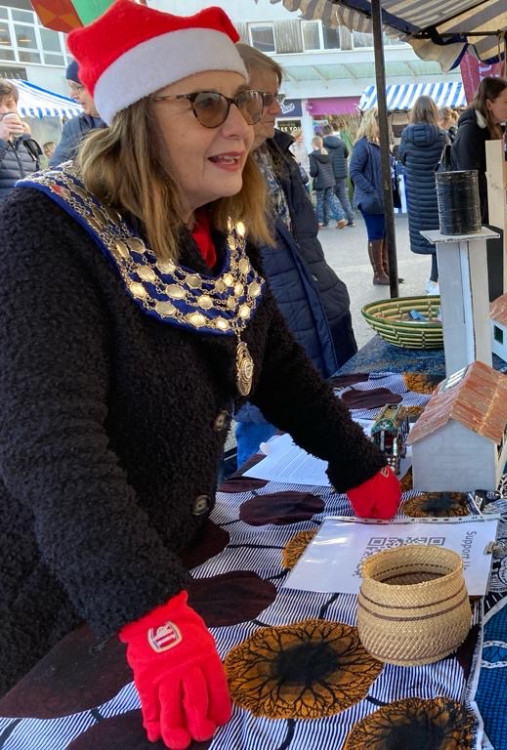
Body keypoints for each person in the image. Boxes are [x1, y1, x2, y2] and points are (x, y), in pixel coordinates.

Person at [0, 4, 400, 747]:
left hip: (172, 550)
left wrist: (357, 461)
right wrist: (149, 614)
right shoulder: (44, 232)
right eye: (207, 104)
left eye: (245, 100)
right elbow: (52, 448)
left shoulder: (213, 232)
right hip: (64, 601)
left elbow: (277, 364)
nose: (243, 127)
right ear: (132, 121)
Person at [232, 43, 360, 465]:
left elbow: (303, 242)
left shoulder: (275, 157)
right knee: (266, 462)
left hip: (311, 314)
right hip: (268, 337)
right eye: (262, 97)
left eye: (276, 97)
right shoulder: (224, 170)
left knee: (318, 445)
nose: (274, 107)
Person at [398, 95, 446, 295]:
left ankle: (434, 281)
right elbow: (449, 162)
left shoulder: (406, 136)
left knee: (429, 240)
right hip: (438, 197)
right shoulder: (442, 136)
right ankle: (435, 279)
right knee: (441, 241)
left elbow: (402, 160)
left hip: (418, 198)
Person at [350, 106, 402, 286]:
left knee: (384, 234)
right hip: (371, 200)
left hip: (382, 198)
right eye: (382, 121)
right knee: (376, 235)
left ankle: (385, 271)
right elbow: (355, 171)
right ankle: (379, 273)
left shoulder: (378, 144)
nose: (385, 124)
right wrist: (371, 191)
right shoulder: (363, 145)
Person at [452, 76, 507, 225]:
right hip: (476, 221)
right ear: (489, 104)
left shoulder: (493, 128)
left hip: (490, 213)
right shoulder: (470, 131)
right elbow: (468, 179)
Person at [49, 59, 106, 166]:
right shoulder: (73, 126)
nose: (72, 95)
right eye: (71, 87)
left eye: (78, 87)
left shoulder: (132, 121)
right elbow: (56, 168)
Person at [0, 81, 42, 201]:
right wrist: (1, 141)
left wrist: (27, 140)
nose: (4, 110)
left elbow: (38, 175)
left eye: (9, 104)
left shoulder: (24, 139)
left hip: (26, 214)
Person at [309, 134, 346, 228]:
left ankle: (319, 222)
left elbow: (314, 171)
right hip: (330, 180)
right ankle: (341, 219)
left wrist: (312, 174)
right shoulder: (327, 153)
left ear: (314, 144)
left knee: (320, 202)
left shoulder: (313, 156)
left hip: (320, 182)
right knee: (331, 200)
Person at [321, 122, 355, 226]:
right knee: (343, 198)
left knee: (327, 198)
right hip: (342, 175)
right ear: (331, 132)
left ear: (323, 133)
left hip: (329, 175)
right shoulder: (341, 142)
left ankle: (326, 220)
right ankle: (351, 219)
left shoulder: (322, 144)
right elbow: (346, 154)